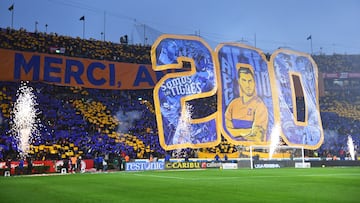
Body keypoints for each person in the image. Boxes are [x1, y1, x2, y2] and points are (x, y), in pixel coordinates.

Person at [225, 66, 268, 142]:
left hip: (252, 151)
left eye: (250, 81)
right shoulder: (233, 104)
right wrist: (248, 131)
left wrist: (235, 132)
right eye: (244, 80)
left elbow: (257, 136)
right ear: (239, 82)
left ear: (254, 82)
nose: (248, 85)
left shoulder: (260, 105)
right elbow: (227, 131)